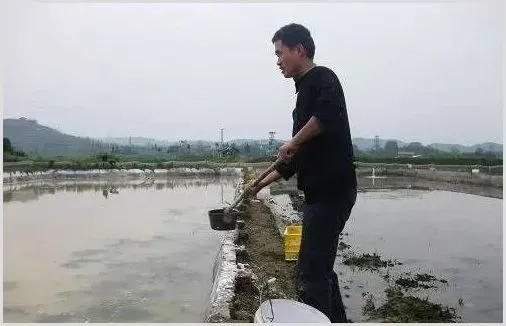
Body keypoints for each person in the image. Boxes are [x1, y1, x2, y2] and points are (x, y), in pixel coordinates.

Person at [244, 23, 357, 323]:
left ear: (299, 50)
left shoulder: (323, 79)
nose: (277, 60)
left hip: (332, 192)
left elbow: (326, 116)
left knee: (311, 274)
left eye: (280, 53)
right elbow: (292, 159)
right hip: (320, 194)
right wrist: (258, 185)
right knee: (320, 268)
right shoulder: (301, 100)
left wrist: (293, 141)